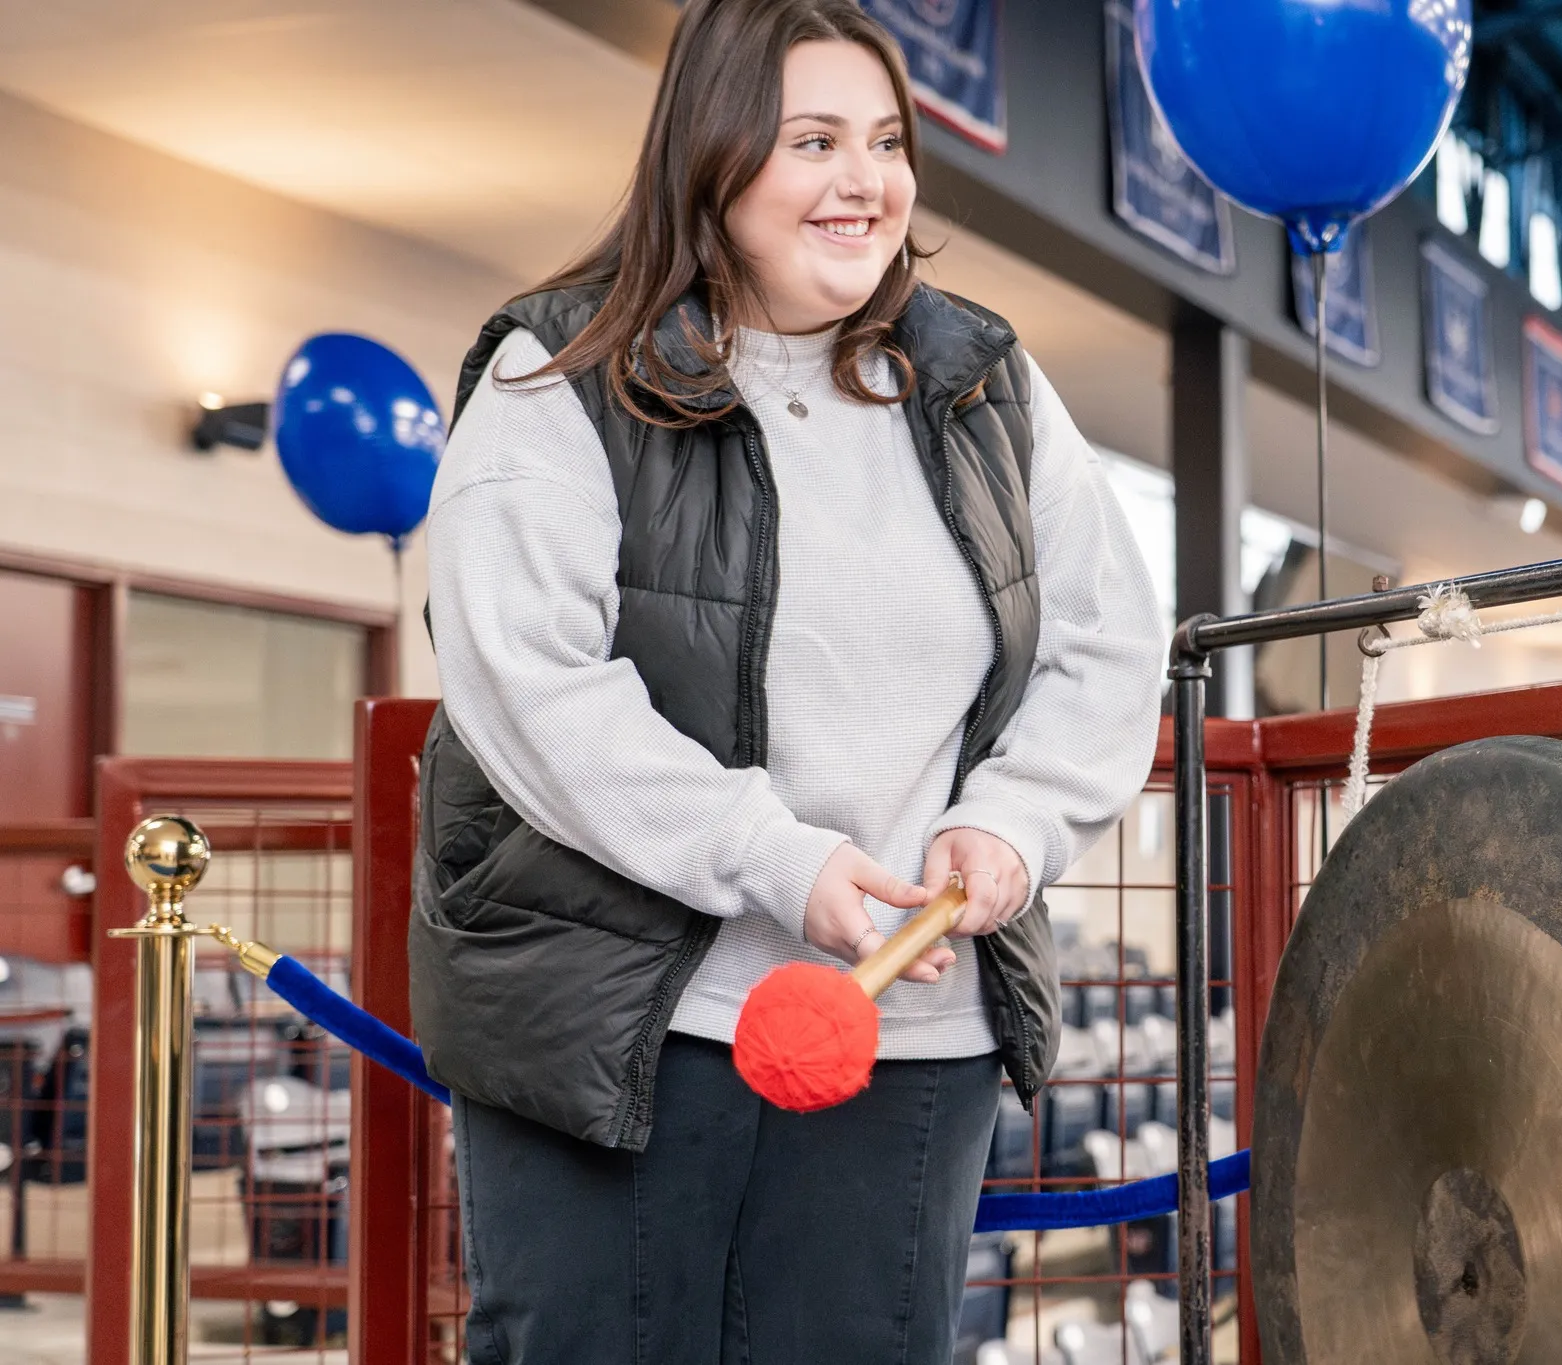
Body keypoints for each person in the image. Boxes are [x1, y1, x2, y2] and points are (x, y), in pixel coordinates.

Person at [409, 1, 1166, 1361]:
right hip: (619, 1023)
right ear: (714, 158)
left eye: (885, 140)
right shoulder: (560, 371)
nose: (864, 180)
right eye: (812, 140)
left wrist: (1015, 821)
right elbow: (531, 683)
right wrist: (772, 856)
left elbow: (1107, 641)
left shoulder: (984, 380)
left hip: (903, 1030)